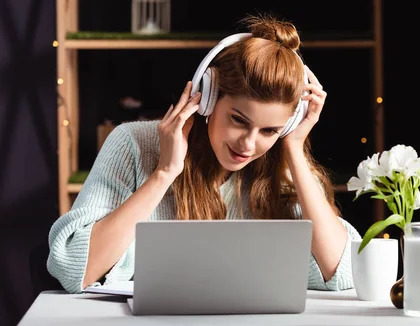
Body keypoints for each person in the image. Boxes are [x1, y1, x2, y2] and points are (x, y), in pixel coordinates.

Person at [47, 13, 361, 294]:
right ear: (207, 98)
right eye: (239, 120)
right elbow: (77, 270)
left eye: (269, 131)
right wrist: (163, 174)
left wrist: (292, 147)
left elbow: (343, 271)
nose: (248, 145)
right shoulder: (133, 143)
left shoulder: (281, 162)